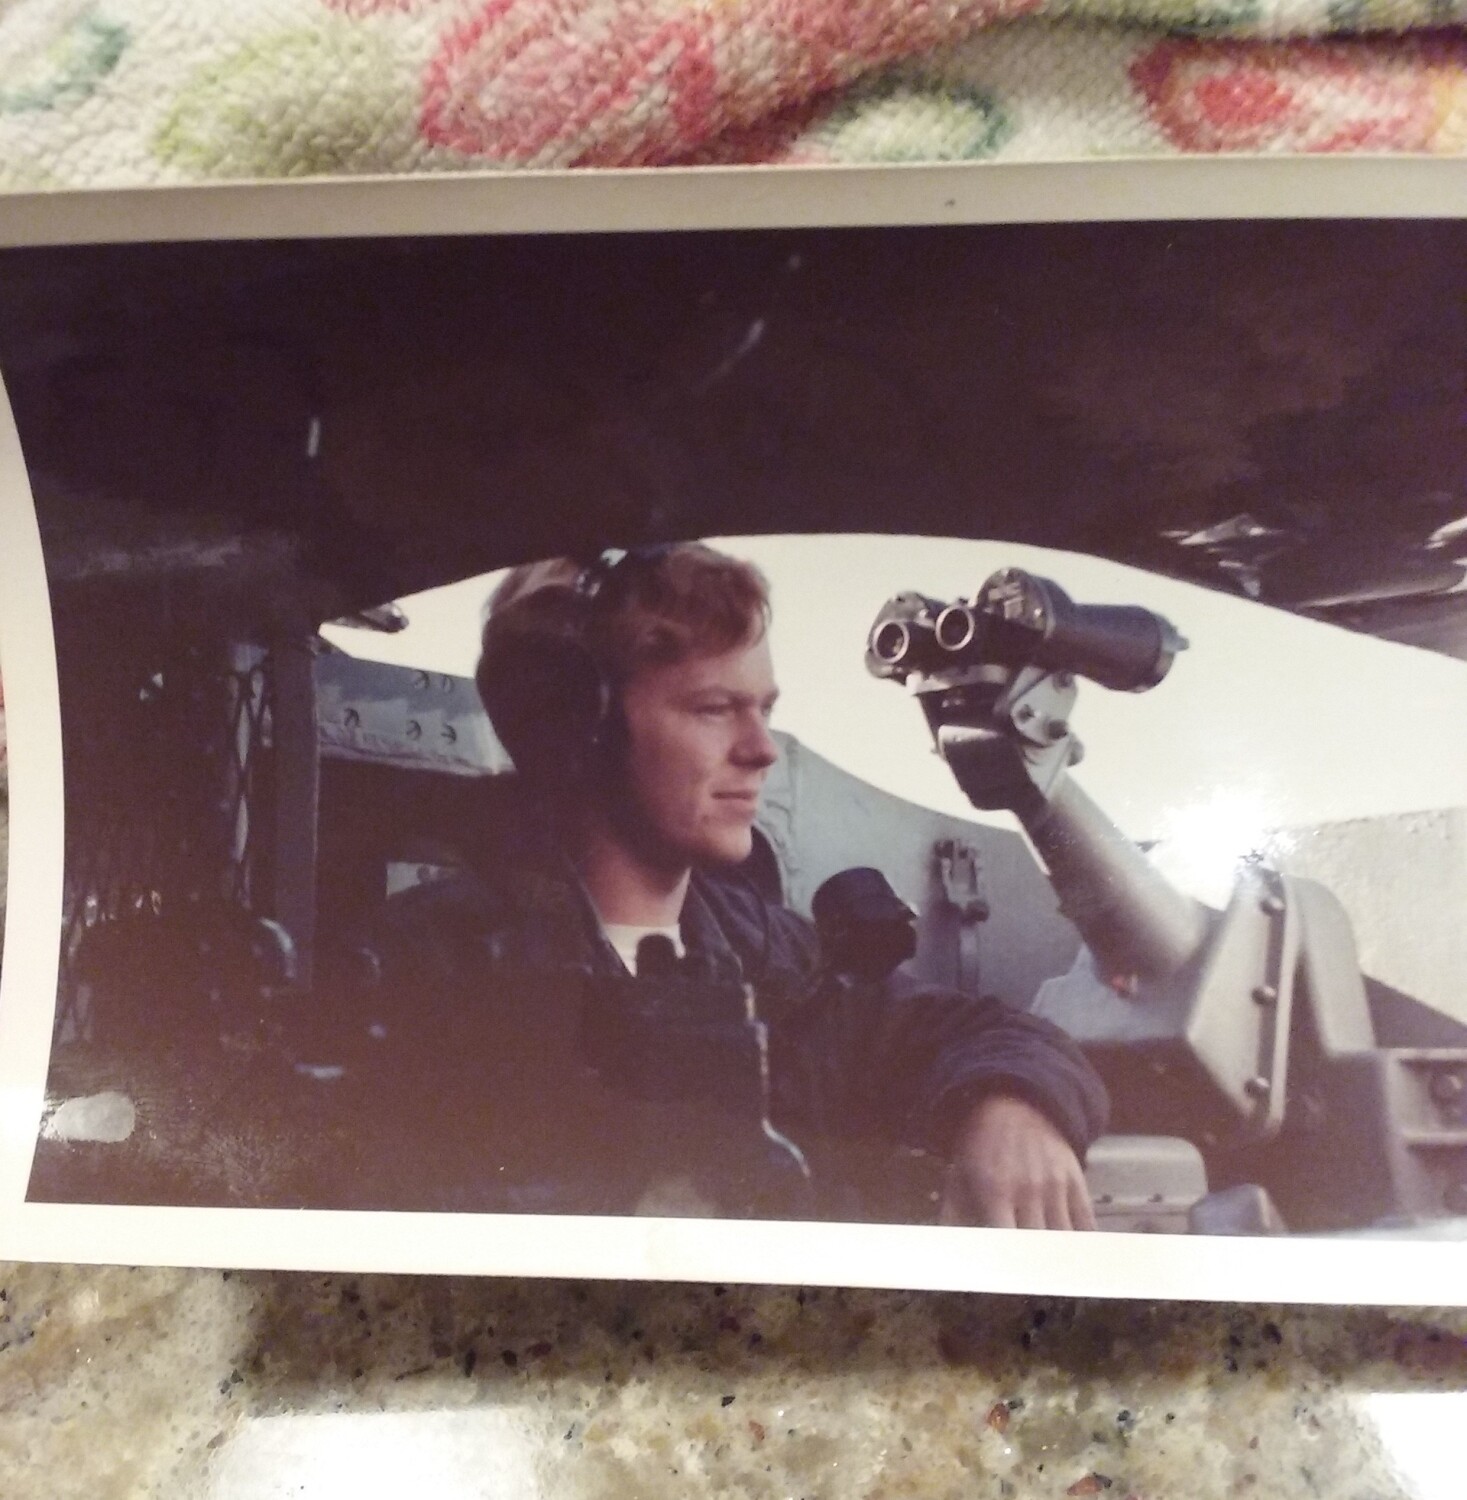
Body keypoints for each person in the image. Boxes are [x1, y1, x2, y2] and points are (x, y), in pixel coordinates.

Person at [359, 543, 1107, 1226]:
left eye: (765, 711)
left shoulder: (779, 961)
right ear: (576, 725)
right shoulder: (419, 970)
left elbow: (992, 1032)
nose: (759, 751)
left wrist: (1010, 1107)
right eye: (714, 709)